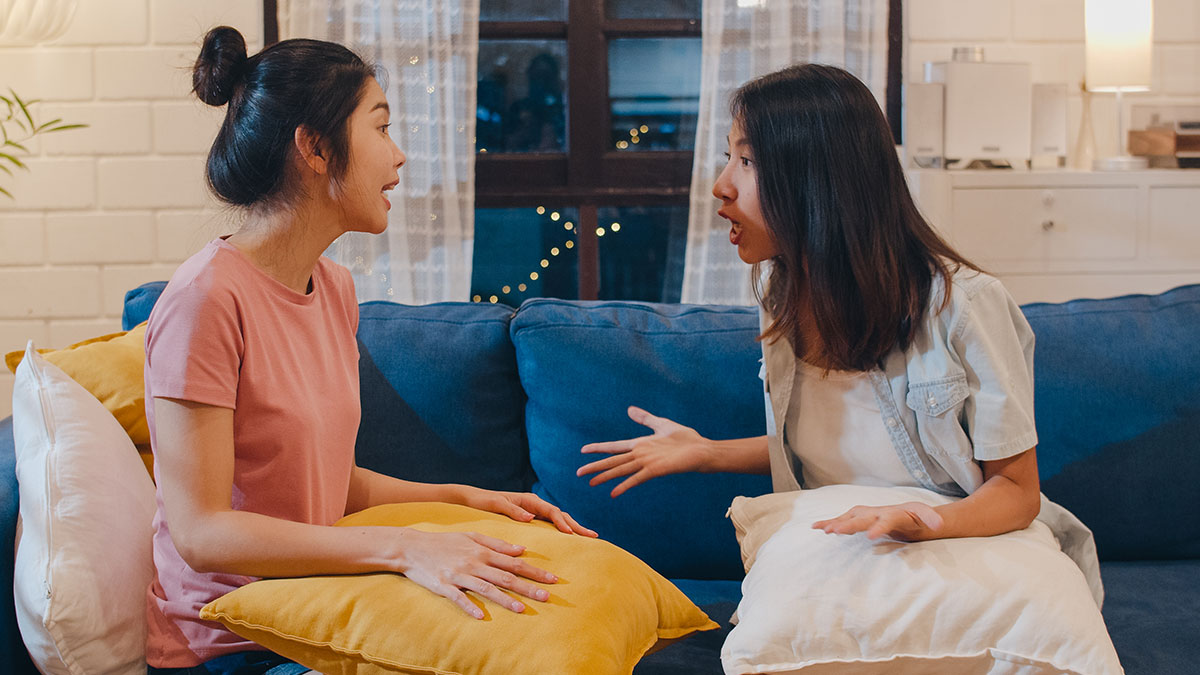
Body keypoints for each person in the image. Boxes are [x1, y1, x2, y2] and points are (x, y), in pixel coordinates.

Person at [145, 26, 596, 675]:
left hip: (317, 603)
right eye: (380, 128)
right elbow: (202, 531)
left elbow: (324, 483)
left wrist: (467, 497)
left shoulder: (333, 287)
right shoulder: (205, 300)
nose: (399, 154)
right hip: (231, 639)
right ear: (316, 148)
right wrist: (403, 547)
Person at [577, 64, 1100, 601]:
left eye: (747, 160)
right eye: (729, 156)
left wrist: (921, 520)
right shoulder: (783, 293)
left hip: (956, 546)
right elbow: (840, 445)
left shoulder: (964, 305)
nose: (721, 184)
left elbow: (1016, 492)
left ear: (815, 179)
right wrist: (707, 452)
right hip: (845, 549)